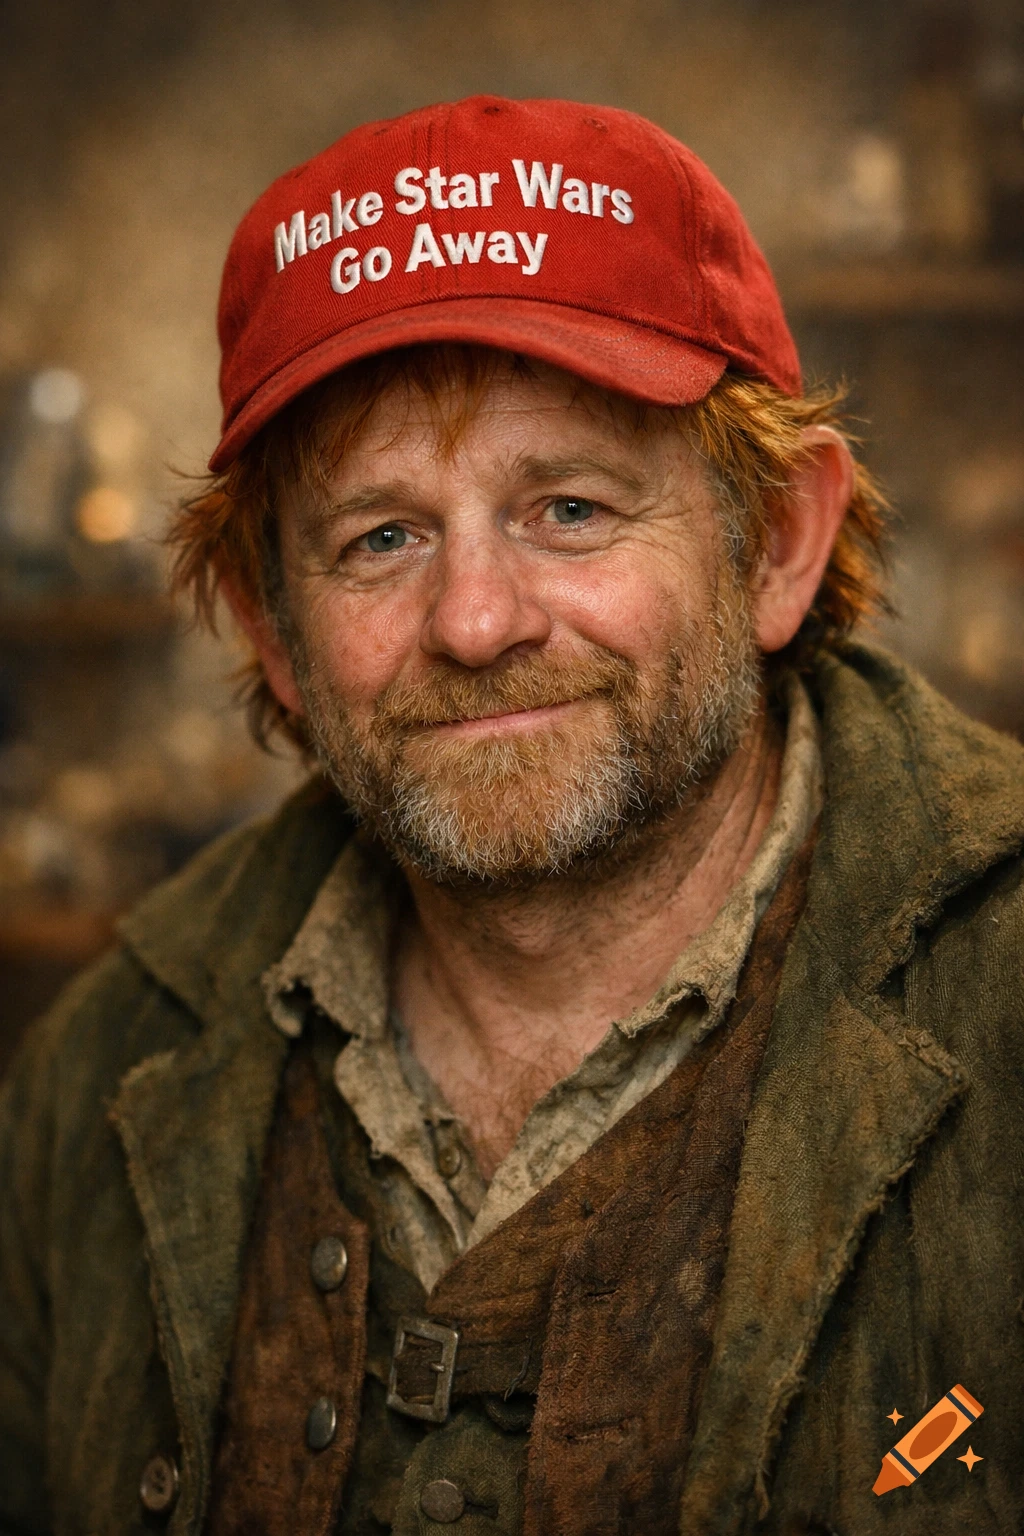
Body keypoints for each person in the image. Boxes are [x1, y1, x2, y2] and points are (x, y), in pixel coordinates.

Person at [1, 95, 1021, 1536]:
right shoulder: (95, 1081)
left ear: (777, 541)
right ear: (275, 631)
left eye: (574, 510)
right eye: (382, 538)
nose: (476, 621)